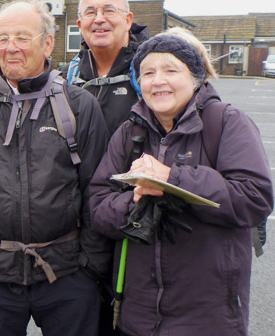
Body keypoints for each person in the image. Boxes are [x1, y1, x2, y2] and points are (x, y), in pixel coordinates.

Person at [0, 0, 111, 336]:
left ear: (48, 42)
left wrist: (89, 266)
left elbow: (97, 189)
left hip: (66, 275)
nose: (10, 48)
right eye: (2, 39)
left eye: (22, 37)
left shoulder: (79, 106)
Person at [89, 33, 273, 336]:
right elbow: (98, 206)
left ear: (195, 76)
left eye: (171, 71)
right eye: (148, 73)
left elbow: (254, 200)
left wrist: (173, 178)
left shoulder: (228, 123)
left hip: (209, 321)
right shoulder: (128, 132)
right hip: (138, 318)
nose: (158, 81)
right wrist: (135, 199)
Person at [64, 0, 151, 136]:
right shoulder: (64, 79)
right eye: (90, 12)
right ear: (80, 25)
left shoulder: (152, 73)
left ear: (128, 20)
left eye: (109, 11)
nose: (98, 19)